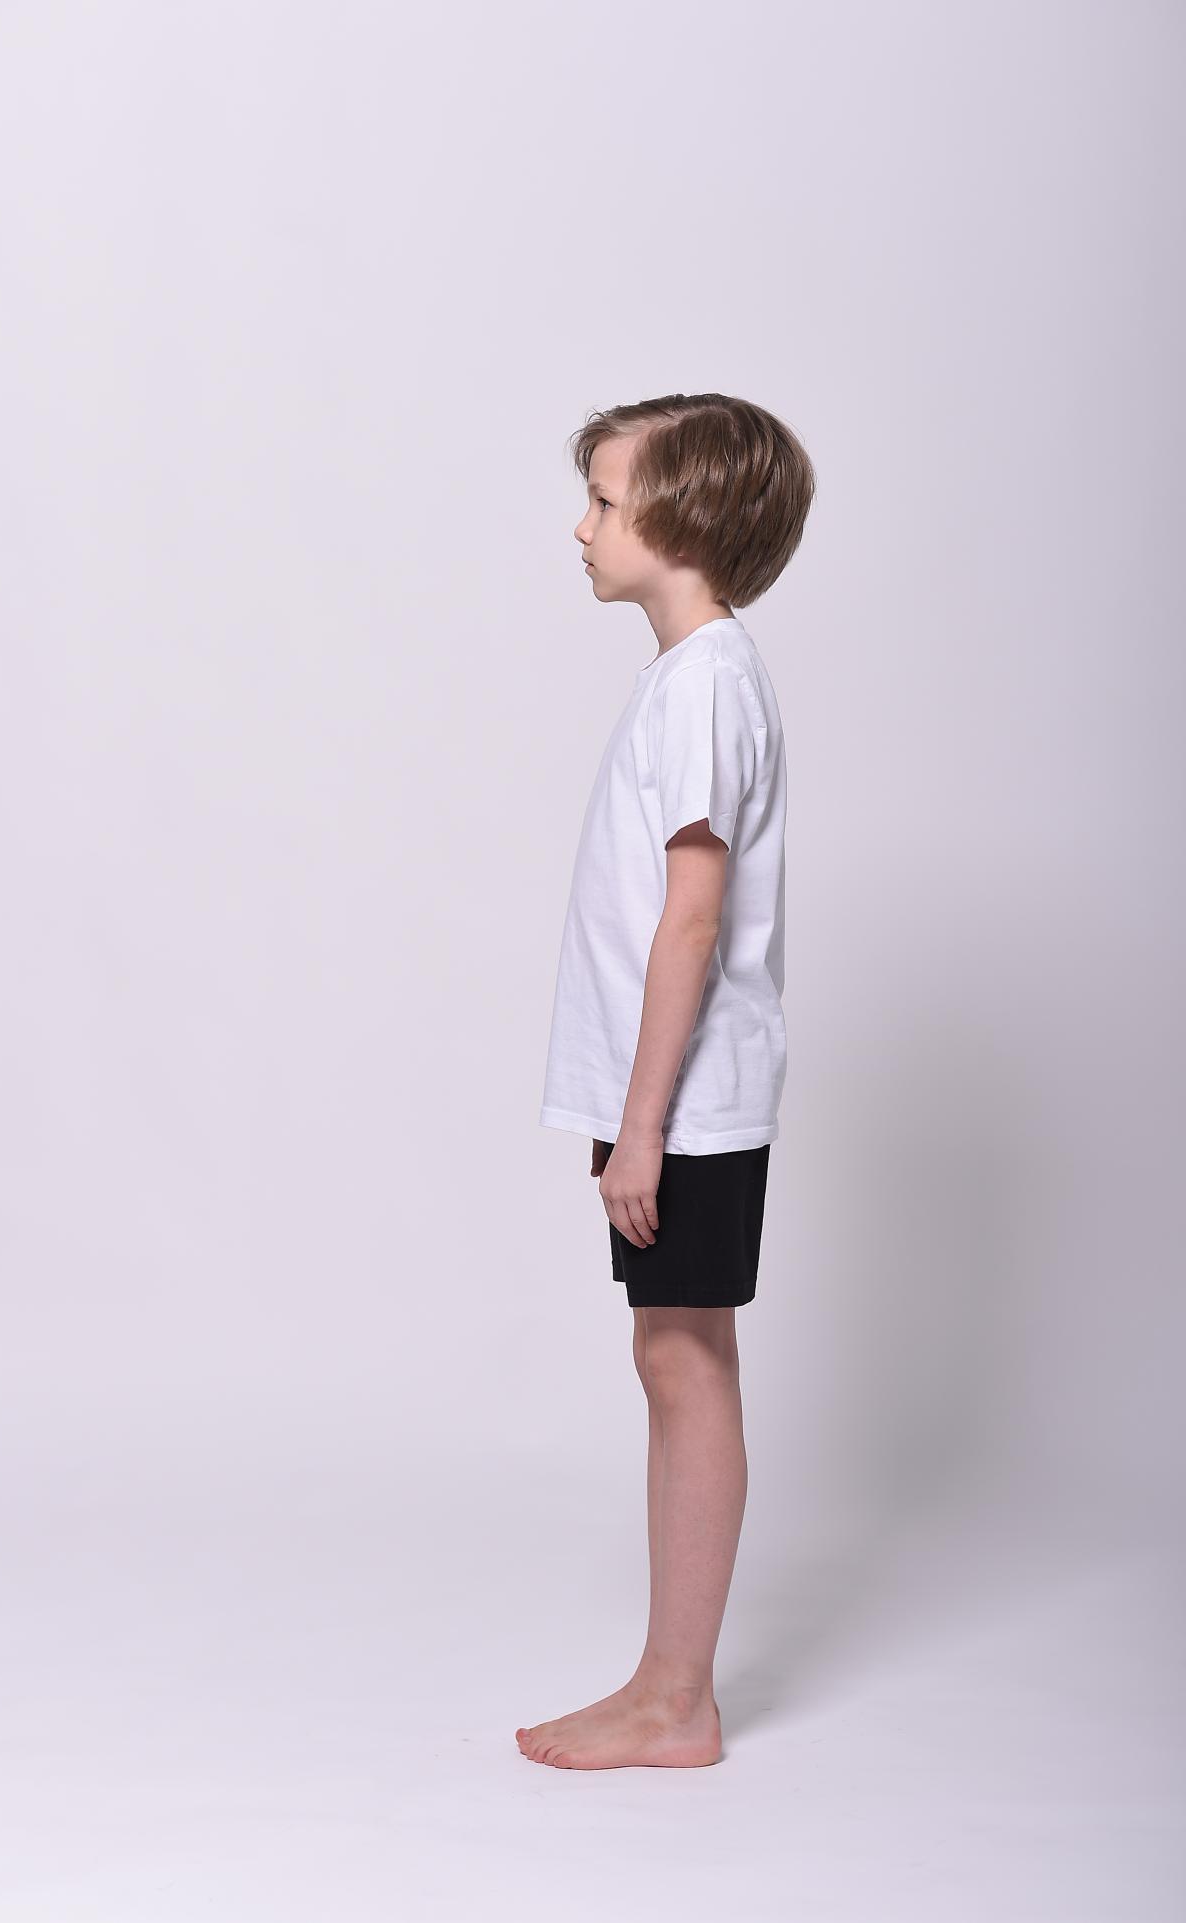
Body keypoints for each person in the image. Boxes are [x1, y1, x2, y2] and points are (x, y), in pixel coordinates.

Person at [518, 392, 815, 1770]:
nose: (581, 529)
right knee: (673, 1358)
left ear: (685, 521)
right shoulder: (692, 677)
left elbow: (691, 923)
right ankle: (668, 1685)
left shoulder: (704, 686)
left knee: (684, 1363)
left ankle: (676, 1699)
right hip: (671, 1103)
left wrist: (640, 1132)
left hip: (683, 1106)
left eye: (604, 502)